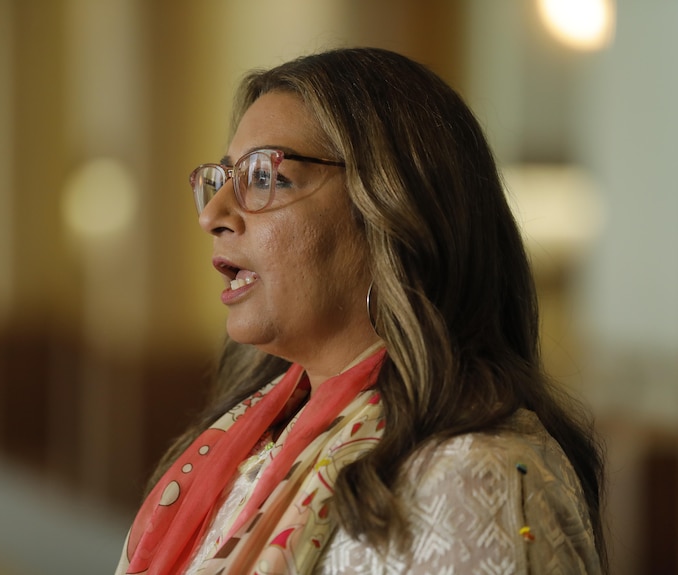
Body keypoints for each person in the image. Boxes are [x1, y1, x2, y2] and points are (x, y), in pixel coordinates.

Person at [115, 47, 606, 574]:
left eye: (265, 177)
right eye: (224, 178)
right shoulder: (244, 447)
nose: (213, 214)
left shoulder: (474, 478)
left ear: (391, 207)